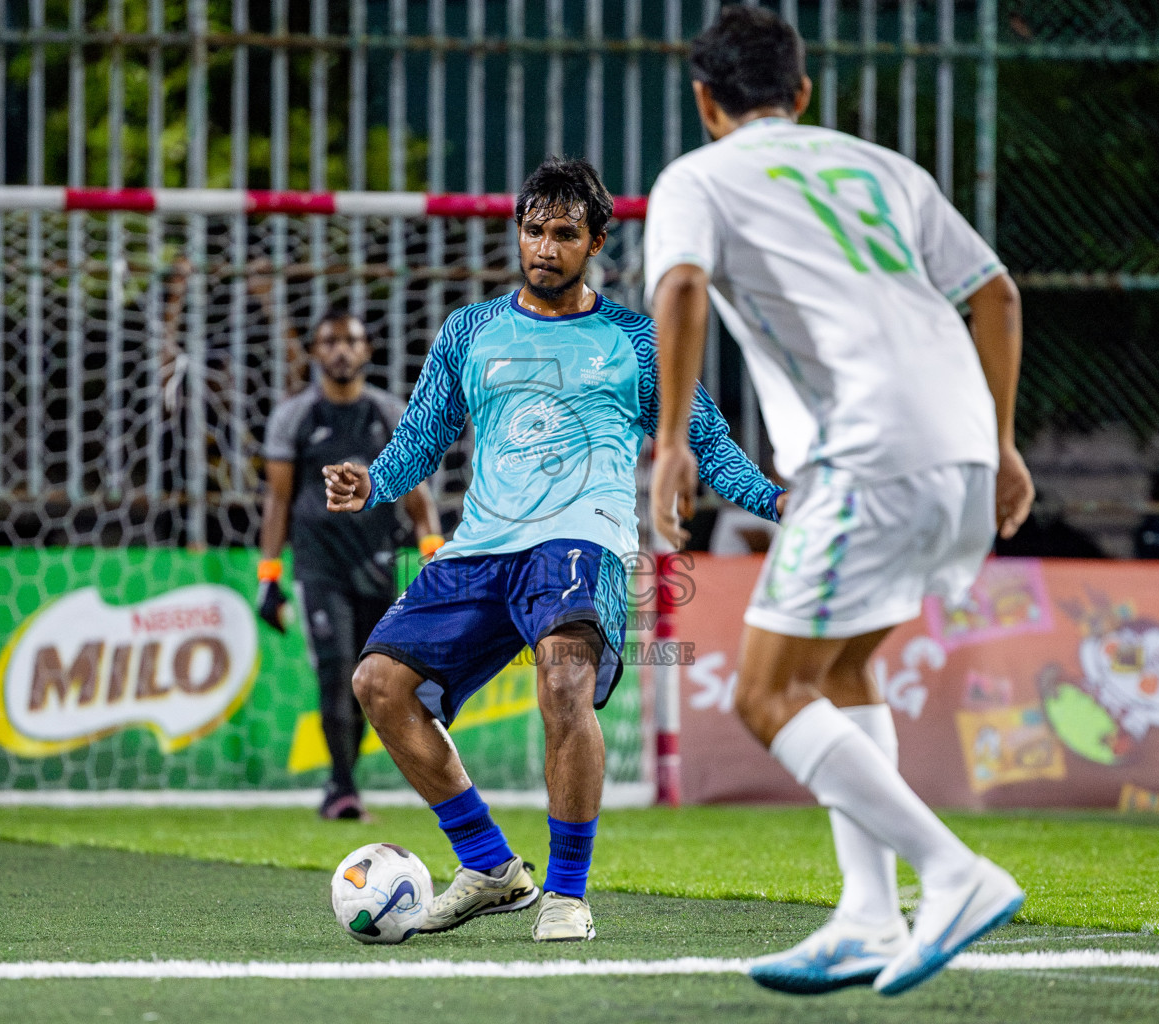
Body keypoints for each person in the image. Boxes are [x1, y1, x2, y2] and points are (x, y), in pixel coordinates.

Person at [646, 7, 1034, 997]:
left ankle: (952, 871)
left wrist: (672, 441)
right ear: (803, 92)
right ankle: (868, 913)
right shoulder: (884, 167)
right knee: (846, 666)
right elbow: (997, 294)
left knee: (766, 692)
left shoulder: (697, 176)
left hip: (866, 452)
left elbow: (681, 288)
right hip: (958, 447)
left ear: (705, 100)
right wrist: (997, 443)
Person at [324, 157, 785, 942]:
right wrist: (372, 485)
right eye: (534, 230)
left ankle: (568, 894)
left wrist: (775, 501)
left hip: (583, 540)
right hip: (480, 547)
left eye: (565, 233)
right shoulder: (469, 331)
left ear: (596, 241)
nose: (545, 247)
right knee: (378, 684)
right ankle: (491, 868)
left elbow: (705, 439)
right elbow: (425, 431)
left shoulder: (637, 342)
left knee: (563, 680)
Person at [258, 311, 443, 820]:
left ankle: (346, 778)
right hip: (319, 566)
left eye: (352, 341)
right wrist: (268, 577)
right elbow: (278, 501)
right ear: (316, 352)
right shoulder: (294, 417)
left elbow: (415, 492)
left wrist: (433, 553)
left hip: (378, 564)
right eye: (330, 341)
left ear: (367, 351)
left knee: (369, 677)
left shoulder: (387, 413)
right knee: (335, 668)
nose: (341, 350)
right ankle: (341, 787)